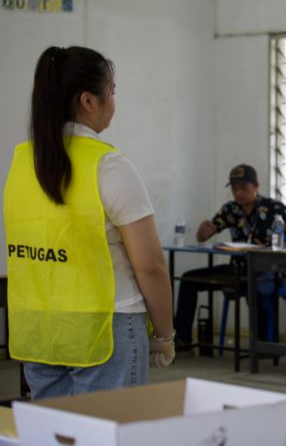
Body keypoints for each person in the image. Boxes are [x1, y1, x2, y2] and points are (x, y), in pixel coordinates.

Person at [4, 46, 175, 399]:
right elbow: (151, 265)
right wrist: (164, 335)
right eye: (111, 91)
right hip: (106, 330)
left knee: (55, 437)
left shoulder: (22, 163)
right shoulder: (108, 165)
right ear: (88, 101)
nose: (114, 101)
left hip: (40, 328)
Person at [173, 164, 286, 350]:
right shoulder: (230, 209)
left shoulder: (274, 208)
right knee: (188, 279)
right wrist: (204, 230)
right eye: (235, 189)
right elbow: (202, 237)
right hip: (236, 270)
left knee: (257, 289)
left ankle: (263, 347)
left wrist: (269, 248)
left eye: (244, 188)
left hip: (265, 272)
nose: (239, 193)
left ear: (256, 186)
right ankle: (182, 340)